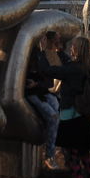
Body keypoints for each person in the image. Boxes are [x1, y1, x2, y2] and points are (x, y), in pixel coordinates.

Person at [37, 34, 90, 178]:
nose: (70, 48)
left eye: (73, 46)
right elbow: (67, 66)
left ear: (77, 50)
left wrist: (43, 52)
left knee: (73, 161)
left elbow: (48, 71)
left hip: (70, 119)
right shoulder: (88, 67)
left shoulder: (73, 69)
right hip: (84, 119)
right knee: (85, 158)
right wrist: (59, 51)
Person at [25, 31, 61, 170]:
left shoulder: (42, 56)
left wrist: (38, 84)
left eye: (45, 39)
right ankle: (49, 155)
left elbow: (49, 82)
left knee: (57, 112)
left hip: (42, 92)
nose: (44, 42)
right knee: (53, 116)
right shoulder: (31, 56)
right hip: (33, 94)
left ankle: (52, 152)